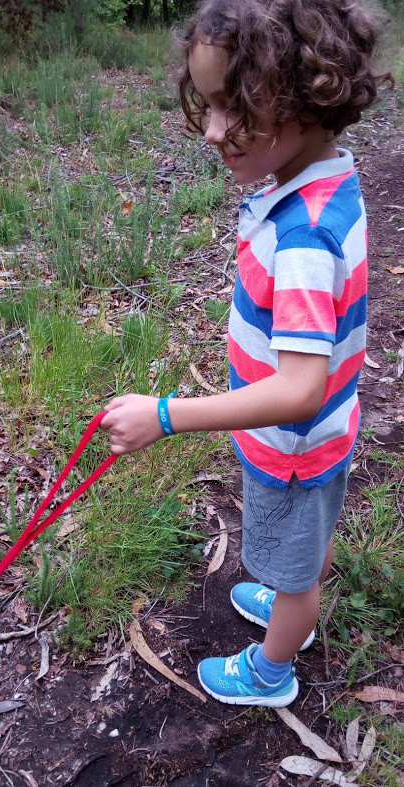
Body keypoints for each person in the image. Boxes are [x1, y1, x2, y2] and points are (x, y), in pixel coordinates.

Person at [101, 0, 392, 707]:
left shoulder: (304, 236)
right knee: (306, 543)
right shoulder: (324, 181)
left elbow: (297, 389)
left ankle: (271, 668)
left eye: (235, 107)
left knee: (296, 569)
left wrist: (166, 415)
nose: (212, 130)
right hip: (320, 439)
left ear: (306, 98)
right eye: (207, 105)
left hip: (294, 446)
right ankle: (295, 588)